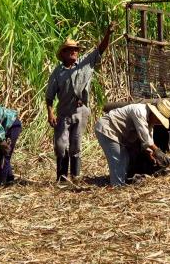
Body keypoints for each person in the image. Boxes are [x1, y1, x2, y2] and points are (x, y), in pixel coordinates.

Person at [46, 21, 117, 183]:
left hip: (80, 111)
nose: (73, 52)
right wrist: (50, 113)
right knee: (61, 146)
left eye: (75, 50)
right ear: (62, 54)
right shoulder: (58, 72)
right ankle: (62, 178)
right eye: (69, 50)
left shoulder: (85, 64)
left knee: (76, 146)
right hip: (63, 113)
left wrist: (108, 33)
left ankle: (75, 177)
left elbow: (101, 49)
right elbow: (49, 96)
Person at [95, 99, 170, 187]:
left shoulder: (149, 119)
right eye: (159, 119)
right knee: (118, 158)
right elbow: (145, 136)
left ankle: (122, 181)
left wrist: (150, 152)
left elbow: (148, 137)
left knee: (125, 158)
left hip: (118, 133)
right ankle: (117, 187)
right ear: (154, 113)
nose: (158, 122)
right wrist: (157, 151)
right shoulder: (140, 112)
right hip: (108, 128)